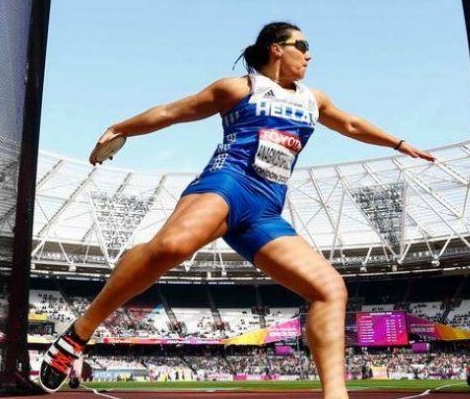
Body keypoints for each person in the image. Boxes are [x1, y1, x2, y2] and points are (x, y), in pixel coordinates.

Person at [38, 22, 435, 398]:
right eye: (303, 46)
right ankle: (80, 331)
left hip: (265, 209)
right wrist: (120, 127)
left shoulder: (314, 99)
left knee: (331, 290)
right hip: (228, 184)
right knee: (172, 248)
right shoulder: (239, 87)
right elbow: (172, 112)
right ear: (276, 49)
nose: (310, 55)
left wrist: (399, 144)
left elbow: (350, 124)